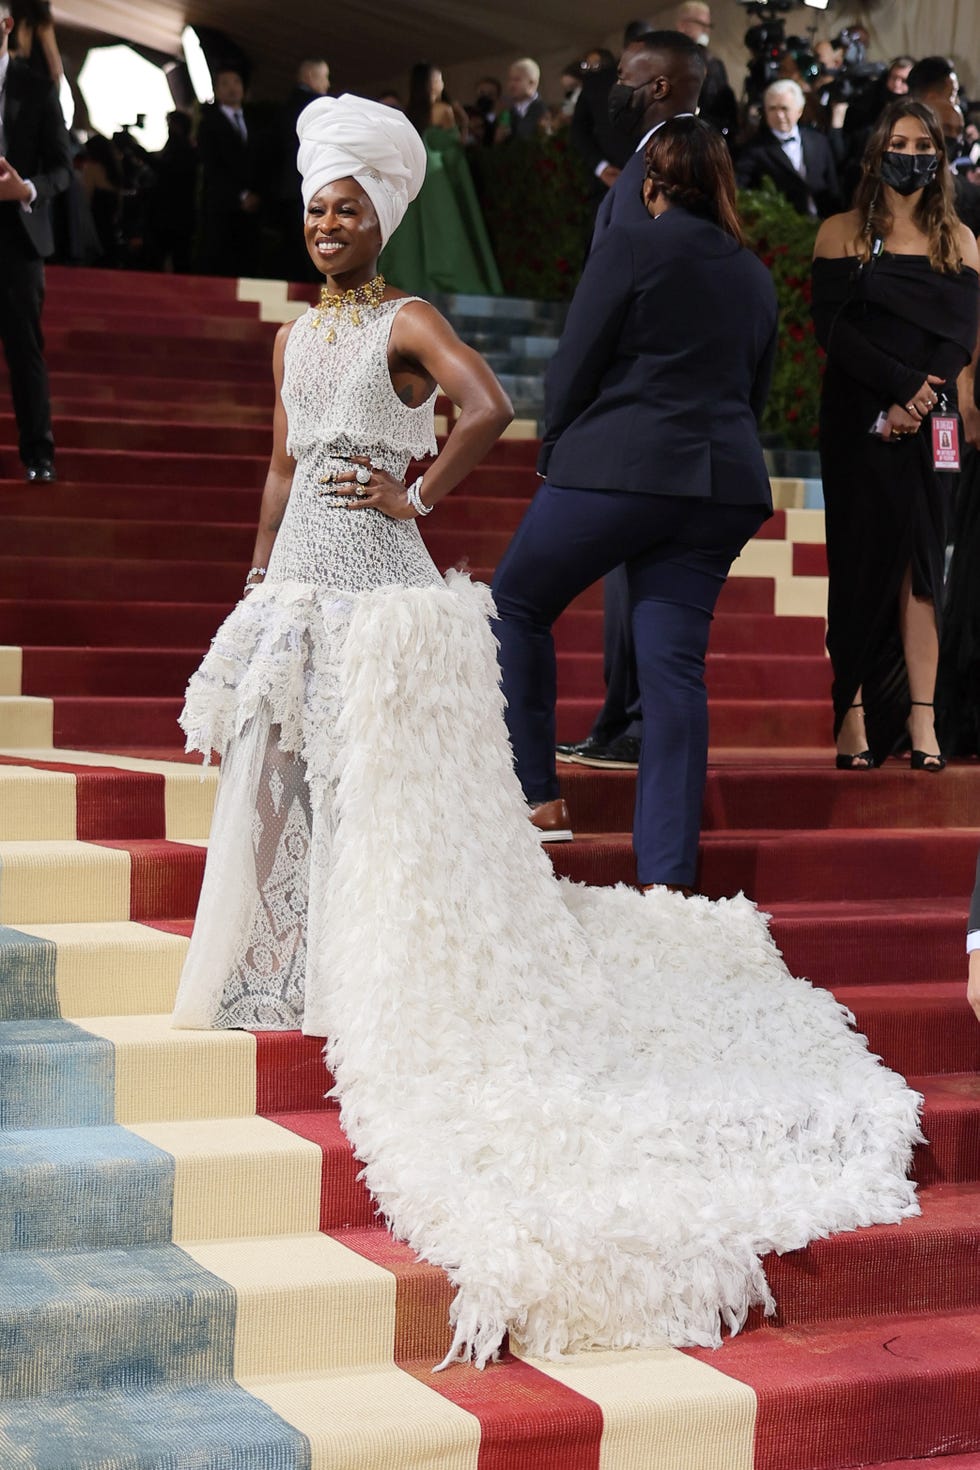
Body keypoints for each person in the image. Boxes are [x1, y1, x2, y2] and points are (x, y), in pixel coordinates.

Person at [173, 92, 922, 1371]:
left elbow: (515, 393)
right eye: (315, 205)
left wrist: (430, 483)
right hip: (375, 563)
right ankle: (316, 957)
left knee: (448, 711)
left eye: (347, 203)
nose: (326, 221)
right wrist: (255, 576)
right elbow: (284, 465)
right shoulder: (303, 335)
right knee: (296, 775)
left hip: (470, 547)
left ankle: (469, 875)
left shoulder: (464, 300)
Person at [493, 116, 778, 881]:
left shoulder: (630, 243)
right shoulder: (755, 273)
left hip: (620, 466)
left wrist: (556, 451)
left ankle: (538, 802)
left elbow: (576, 361)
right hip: (720, 483)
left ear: (650, 182)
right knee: (673, 673)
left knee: (514, 604)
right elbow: (755, 391)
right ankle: (667, 874)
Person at [811, 99, 979, 771]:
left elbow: (960, 336)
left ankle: (924, 722)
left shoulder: (960, 240)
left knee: (921, 578)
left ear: (937, 158)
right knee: (855, 565)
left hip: (930, 422)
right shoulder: (839, 232)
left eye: (922, 143)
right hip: (856, 418)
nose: (911, 154)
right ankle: (851, 717)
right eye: (900, 142)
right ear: (877, 153)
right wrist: (899, 389)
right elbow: (834, 330)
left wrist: (924, 394)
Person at [559, 28, 706, 770]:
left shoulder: (683, 163)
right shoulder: (651, 160)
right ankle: (622, 718)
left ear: (657, 85)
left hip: (646, 413)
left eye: (623, 74)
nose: (611, 84)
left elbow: (648, 295)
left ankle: (640, 724)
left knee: (636, 584)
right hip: (632, 414)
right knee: (625, 584)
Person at [0, 0, 71, 483]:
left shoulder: (38, 87)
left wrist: (25, 189)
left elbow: (63, 170)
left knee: (24, 346)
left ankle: (38, 455)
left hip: (16, 234)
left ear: (5, 26)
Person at [379, 61, 502, 297]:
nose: (442, 84)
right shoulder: (443, 110)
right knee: (445, 233)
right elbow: (456, 144)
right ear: (432, 84)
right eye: (439, 79)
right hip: (439, 182)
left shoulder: (408, 114)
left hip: (415, 180)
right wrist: (462, 120)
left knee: (411, 234)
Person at [736, 79, 841, 217]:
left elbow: (833, 186)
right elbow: (740, 190)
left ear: (799, 110)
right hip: (781, 226)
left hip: (824, 222)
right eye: (772, 108)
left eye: (784, 108)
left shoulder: (818, 141)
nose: (779, 115)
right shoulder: (753, 149)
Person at [196, 65, 263, 277]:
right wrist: (241, 194)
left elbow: (262, 159)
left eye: (236, 82)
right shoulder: (208, 124)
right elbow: (213, 166)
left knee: (249, 261)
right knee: (221, 261)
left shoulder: (254, 121)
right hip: (223, 204)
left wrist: (257, 193)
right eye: (225, 84)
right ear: (216, 91)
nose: (232, 88)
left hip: (254, 205)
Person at [674, 0, 736, 138]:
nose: (706, 30)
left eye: (708, 25)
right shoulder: (669, 59)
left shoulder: (714, 63)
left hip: (711, 134)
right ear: (683, 25)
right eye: (701, 24)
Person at [494, 58, 544, 143]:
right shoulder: (507, 112)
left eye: (517, 80)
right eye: (510, 79)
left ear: (532, 83)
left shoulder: (544, 111)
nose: (511, 85)